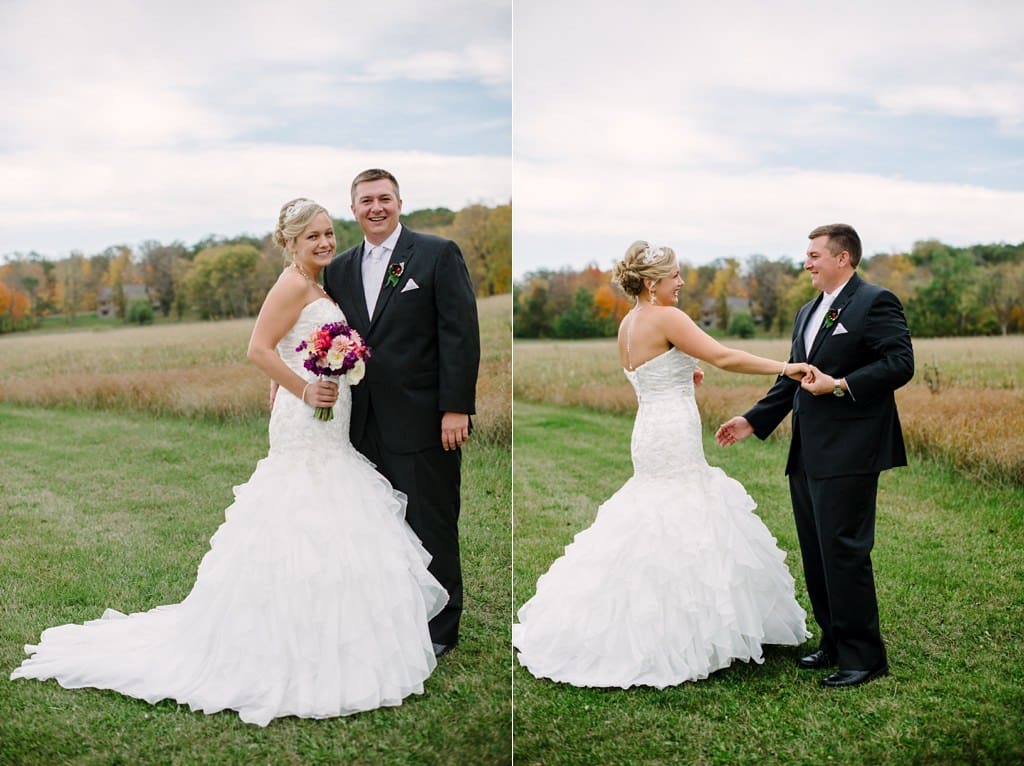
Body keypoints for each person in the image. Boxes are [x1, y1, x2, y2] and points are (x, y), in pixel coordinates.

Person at [10, 199, 448, 726]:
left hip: (330, 415)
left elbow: (290, 345)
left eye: (330, 233)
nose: (325, 243)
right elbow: (258, 348)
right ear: (289, 243)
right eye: (312, 236)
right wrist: (305, 388)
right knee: (302, 509)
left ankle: (335, 630)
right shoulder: (291, 284)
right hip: (306, 415)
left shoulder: (320, 285)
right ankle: (281, 641)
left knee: (336, 505)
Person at [512, 241, 811, 689]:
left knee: (655, 509)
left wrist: (682, 372)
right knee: (681, 510)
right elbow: (725, 356)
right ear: (652, 284)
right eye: (675, 276)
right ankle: (682, 631)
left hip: (649, 427)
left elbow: (647, 372)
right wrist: (786, 367)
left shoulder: (628, 323)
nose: (682, 282)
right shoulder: (668, 317)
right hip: (671, 430)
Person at [716, 223, 914, 688]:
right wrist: (753, 419)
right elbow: (794, 376)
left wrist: (841, 385)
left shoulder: (874, 301)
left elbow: (900, 363)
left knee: (844, 551)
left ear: (842, 257)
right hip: (808, 451)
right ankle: (834, 641)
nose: (806, 263)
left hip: (852, 448)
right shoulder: (807, 311)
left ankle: (865, 657)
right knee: (818, 552)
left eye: (813, 255)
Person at [323, 169, 480, 658]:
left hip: (423, 417)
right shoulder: (340, 269)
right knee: (377, 523)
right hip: (360, 420)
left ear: (399, 202)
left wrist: (456, 407)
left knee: (431, 520)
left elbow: (461, 334)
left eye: (384, 198)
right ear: (353, 209)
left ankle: (440, 627)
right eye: (366, 200)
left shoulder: (436, 254)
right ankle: (391, 615)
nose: (376, 207)